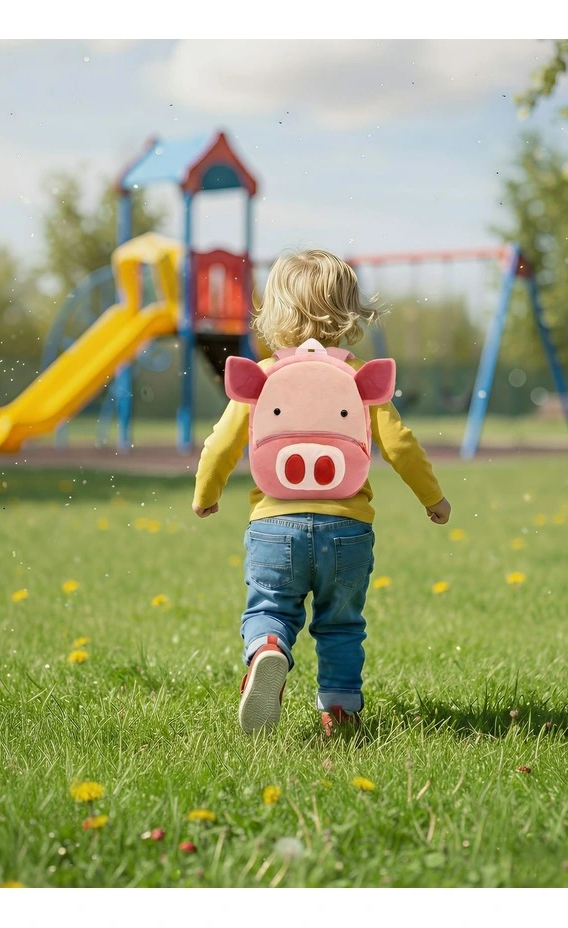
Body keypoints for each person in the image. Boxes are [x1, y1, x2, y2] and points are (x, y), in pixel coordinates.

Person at [192, 249, 451, 736]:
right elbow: (399, 444)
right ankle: (339, 710)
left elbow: (221, 443)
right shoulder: (359, 378)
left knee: (270, 608)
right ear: (350, 313)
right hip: (347, 531)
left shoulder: (264, 376)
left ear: (273, 311)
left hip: (274, 528)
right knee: (341, 624)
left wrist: (206, 493)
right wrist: (432, 498)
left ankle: (268, 648)